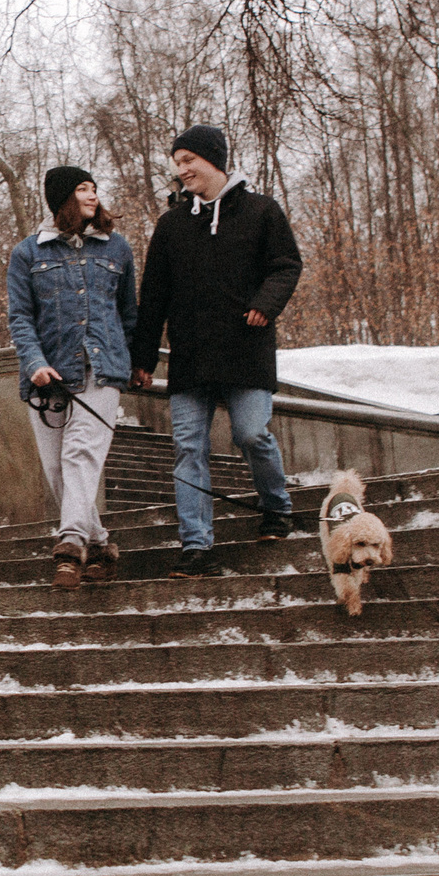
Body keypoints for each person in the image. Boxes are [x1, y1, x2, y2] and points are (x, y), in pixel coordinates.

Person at [128, 124, 304, 576]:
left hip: (246, 349)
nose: (182, 170)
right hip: (191, 357)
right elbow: (154, 296)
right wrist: (143, 359)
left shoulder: (262, 211)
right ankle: (196, 545)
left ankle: (276, 506)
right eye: (177, 163)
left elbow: (286, 265)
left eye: (188, 160)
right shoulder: (171, 226)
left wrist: (265, 304)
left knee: (251, 434)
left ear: (214, 160)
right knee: (188, 447)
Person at [7, 165, 137, 588]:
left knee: (80, 453)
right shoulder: (28, 253)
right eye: (83, 188)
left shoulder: (117, 248)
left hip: (102, 370)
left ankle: (70, 545)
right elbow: (20, 317)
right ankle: (100, 546)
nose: (93, 195)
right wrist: (35, 362)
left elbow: (129, 314)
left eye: (94, 188)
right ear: (63, 198)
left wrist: (134, 363)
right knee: (57, 470)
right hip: (47, 377)